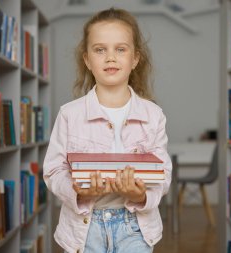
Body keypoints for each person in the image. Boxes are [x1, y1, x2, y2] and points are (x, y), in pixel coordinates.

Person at [43, 7, 172, 253]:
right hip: (83, 230)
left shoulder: (153, 115)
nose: (110, 58)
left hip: (135, 227)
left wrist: (140, 196)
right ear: (87, 60)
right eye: (100, 50)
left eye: (120, 49)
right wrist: (77, 190)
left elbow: (163, 175)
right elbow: (53, 171)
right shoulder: (69, 114)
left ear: (135, 59)